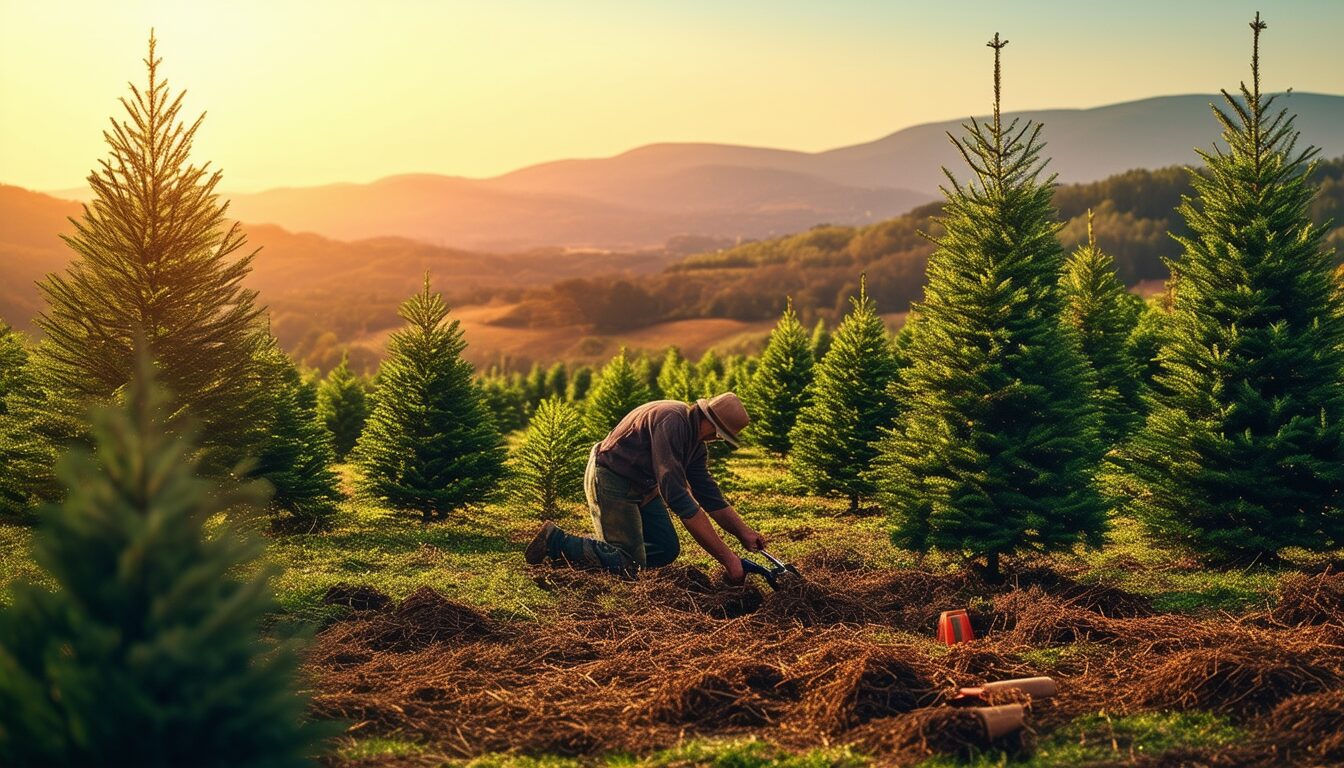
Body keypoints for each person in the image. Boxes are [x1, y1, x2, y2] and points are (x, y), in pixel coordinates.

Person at [524, 392, 764, 584]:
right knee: (628, 563)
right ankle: (555, 541)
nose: (717, 439)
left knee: (666, 549)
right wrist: (728, 559)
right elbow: (678, 497)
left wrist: (743, 532)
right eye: (719, 434)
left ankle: (603, 558)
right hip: (611, 478)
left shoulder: (695, 443)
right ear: (710, 423)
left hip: (642, 487)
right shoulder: (672, 421)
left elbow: (708, 495)